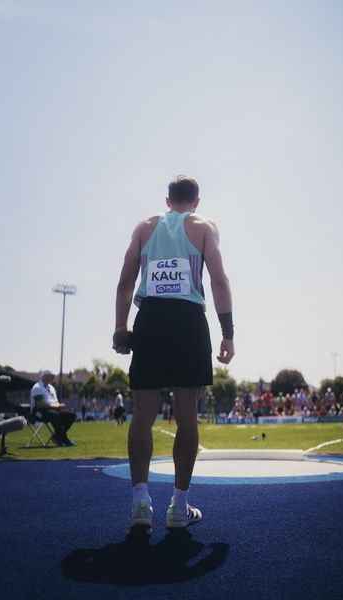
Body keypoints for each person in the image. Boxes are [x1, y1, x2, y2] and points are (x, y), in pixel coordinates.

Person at [112, 175, 234, 537]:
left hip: (149, 319)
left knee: (143, 413)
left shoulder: (144, 227)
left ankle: (140, 504)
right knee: (186, 415)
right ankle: (179, 508)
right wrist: (228, 334)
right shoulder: (204, 226)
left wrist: (121, 328)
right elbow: (219, 281)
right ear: (196, 201)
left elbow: (124, 283)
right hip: (187, 322)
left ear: (167, 201)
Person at [30, 369, 77, 447]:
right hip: (38, 412)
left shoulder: (51, 388)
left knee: (71, 415)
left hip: (51, 410)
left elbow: (55, 402)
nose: (53, 377)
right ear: (44, 376)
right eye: (51, 376)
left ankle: (57, 436)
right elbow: (40, 404)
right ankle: (64, 440)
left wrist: (60, 407)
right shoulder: (37, 387)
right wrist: (56, 406)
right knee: (54, 415)